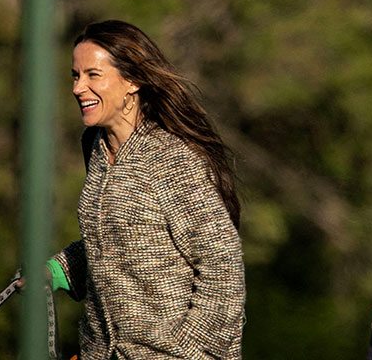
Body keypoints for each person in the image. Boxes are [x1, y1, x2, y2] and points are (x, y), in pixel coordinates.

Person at [49, 20, 245, 359]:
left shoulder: (172, 159)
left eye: (93, 75)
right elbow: (119, 237)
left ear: (132, 81)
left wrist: (186, 351)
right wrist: (57, 271)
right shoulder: (95, 148)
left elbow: (222, 267)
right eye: (75, 75)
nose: (78, 88)